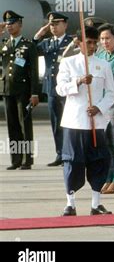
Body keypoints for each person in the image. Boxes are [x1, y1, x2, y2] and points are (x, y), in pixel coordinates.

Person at [56, 26, 114, 216]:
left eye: (94, 43)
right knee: (72, 162)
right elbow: (60, 89)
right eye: (88, 42)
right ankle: (70, 203)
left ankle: (96, 203)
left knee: (98, 161)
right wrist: (79, 82)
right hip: (74, 122)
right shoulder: (68, 63)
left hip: (95, 122)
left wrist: (99, 107)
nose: (92, 46)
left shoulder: (103, 65)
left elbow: (112, 94)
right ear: (78, 43)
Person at [33, 11, 74, 167]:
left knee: (68, 122)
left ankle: (69, 153)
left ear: (65, 24)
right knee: (56, 123)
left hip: (67, 87)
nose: (54, 27)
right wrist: (39, 35)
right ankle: (60, 154)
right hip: (51, 88)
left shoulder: (71, 42)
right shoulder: (48, 42)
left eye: (57, 24)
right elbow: (32, 50)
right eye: (51, 24)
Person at [0, 11, 39, 170]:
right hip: (7, 89)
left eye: (12, 23)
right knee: (13, 126)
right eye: (7, 24)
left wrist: (34, 93)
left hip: (23, 90)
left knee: (25, 125)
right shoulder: (4, 44)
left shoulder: (28, 45)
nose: (9, 26)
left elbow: (34, 72)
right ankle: (15, 159)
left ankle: (26, 160)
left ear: (20, 25)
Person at [96, 23, 114, 194]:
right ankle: (108, 177)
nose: (105, 42)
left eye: (108, 38)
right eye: (102, 39)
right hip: (101, 107)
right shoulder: (100, 56)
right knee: (105, 145)